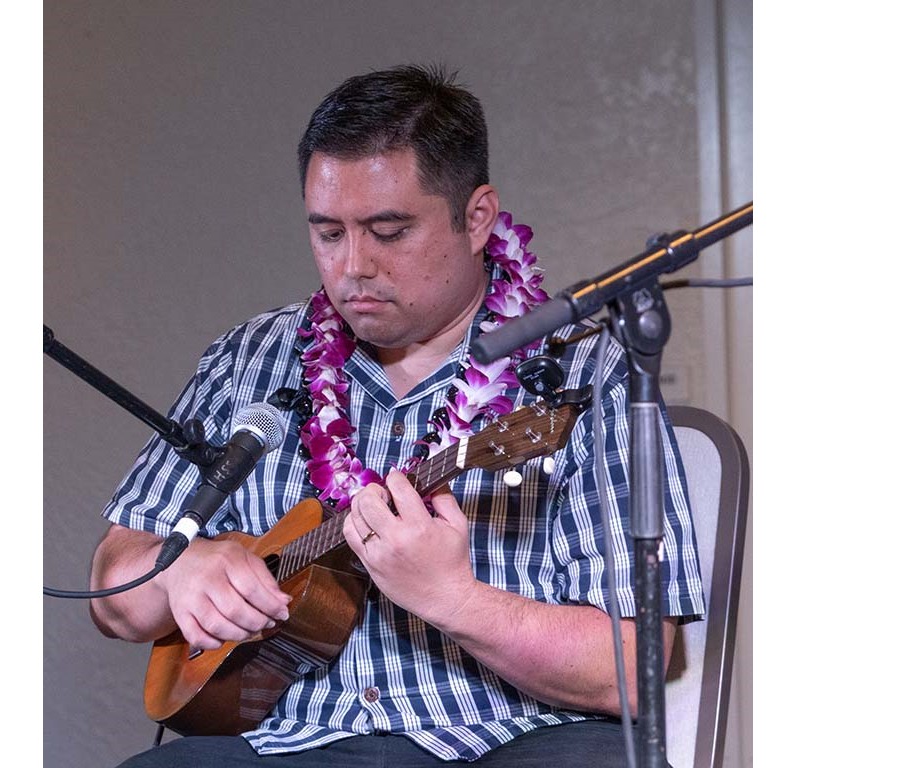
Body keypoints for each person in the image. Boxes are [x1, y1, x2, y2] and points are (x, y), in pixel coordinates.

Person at [88, 64, 705, 767]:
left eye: (388, 231)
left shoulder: (584, 373)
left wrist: (454, 599)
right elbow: (112, 593)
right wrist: (179, 570)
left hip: (511, 741)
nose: (354, 265)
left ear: (478, 218)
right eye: (329, 233)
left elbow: (632, 666)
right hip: (290, 745)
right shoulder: (248, 358)